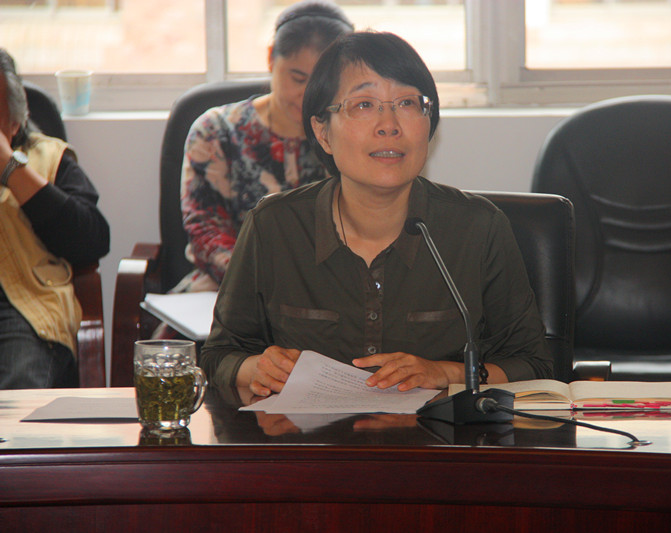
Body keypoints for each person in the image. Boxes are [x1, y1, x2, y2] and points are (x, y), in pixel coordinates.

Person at [201, 31, 553, 403]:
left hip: (440, 438)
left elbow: (535, 365)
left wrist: (445, 374)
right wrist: (256, 368)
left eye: (407, 103)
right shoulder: (274, 227)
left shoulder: (478, 229)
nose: (389, 124)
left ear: (429, 123)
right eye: (364, 104)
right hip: (306, 439)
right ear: (323, 132)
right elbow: (218, 355)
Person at [174, 0, 354, 294]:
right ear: (271, 58)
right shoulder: (216, 131)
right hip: (227, 287)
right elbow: (206, 231)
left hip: (328, 293)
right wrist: (270, 286)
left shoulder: (352, 135)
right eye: (297, 78)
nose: (307, 94)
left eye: (322, 82)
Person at [0, 48, 110, 389]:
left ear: (14, 121)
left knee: (19, 395)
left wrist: (10, 167)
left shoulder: (48, 157)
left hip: (23, 309)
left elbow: (92, 241)